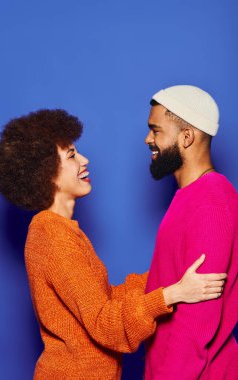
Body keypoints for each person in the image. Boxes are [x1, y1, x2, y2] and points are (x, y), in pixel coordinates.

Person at [0, 109, 226, 380]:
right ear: (46, 174)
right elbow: (106, 325)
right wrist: (171, 295)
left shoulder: (57, 231)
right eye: (71, 155)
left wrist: (170, 277)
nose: (84, 160)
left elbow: (105, 299)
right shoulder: (52, 236)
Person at [144, 85, 238, 380]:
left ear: (186, 137)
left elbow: (198, 320)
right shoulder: (191, 196)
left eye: (156, 130)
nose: (148, 139)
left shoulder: (211, 201)